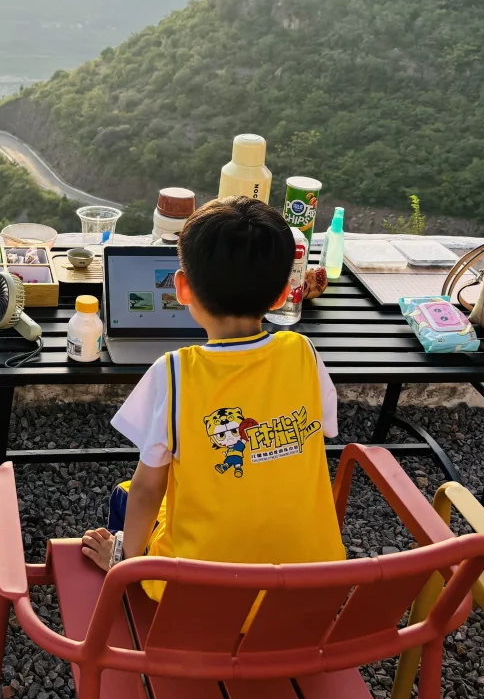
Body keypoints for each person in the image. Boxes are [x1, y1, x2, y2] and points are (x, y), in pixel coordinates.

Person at [82, 197, 345, 598]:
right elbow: (323, 432)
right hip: (310, 590)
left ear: (183, 288)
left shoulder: (173, 373)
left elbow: (149, 490)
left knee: (127, 495)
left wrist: (127, 560)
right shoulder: (304, 354)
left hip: (195, 596)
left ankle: (122, 561)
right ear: (281, 295)